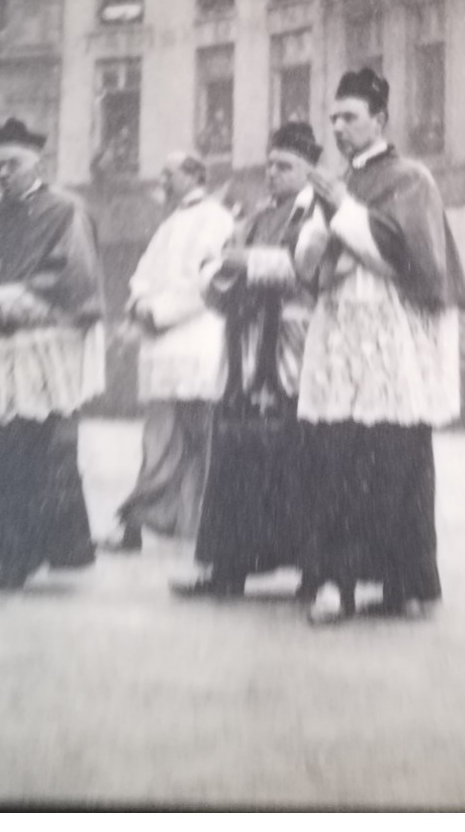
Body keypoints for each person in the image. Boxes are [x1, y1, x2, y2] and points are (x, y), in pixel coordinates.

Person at [296, 68, 465, 625]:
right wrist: (321, 228)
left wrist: (344, 212)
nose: (339, 128)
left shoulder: (411, 178)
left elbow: (409, 257)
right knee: (339, 454)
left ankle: (405, 580)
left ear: (381, 119)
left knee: (397, 454)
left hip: (389, 338)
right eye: (335, 118)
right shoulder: (330, 182)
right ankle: (338, 584)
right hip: (341, 333)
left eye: (350, 116)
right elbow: (308, 263)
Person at [0, 118, 104, 590]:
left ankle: (26, 554)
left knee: (39, 448)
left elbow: (76, 277)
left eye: (11, 164)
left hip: (44, 342)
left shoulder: (65, 211)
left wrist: (17, 298)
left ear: (38, 162)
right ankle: (7, 549)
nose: (2, 174)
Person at [171, 122, 323, 599]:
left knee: (297, 458)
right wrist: (224, 271)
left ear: (310, 170)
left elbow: (307, 272)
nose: (274, 174)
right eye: (271, 165)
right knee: (235, 456)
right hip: (245, 345)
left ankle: (312, 569)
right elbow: (219, 270)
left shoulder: (317, 215)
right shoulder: (257, 217)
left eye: (286, 166)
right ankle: (228, 566)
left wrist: (243, 263)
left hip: (292, 347)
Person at [108, 152, 234, 550]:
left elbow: (209, 281)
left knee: (201, 436)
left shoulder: (217, 219)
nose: (163, 178)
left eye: (170, 171)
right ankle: (137, 523)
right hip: (161, 345)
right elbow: (143, 274)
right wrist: (140, 303)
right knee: (158, 437)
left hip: (198, 340)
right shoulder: (169, 223)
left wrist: (159, 311)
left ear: (196, 174)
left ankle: (201, 526)